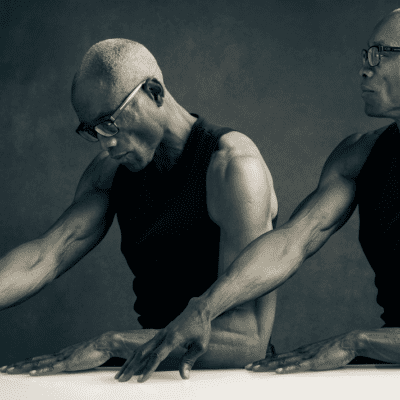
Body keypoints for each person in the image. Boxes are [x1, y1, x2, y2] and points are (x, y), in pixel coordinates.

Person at [105, 8, 400, 382]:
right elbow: (291, 242)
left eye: (380, 54)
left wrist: (358, 342)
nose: (364, 69)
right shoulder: (359, 155)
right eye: (366, 55)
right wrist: (205, 308)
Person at [0, 39, 278, 377]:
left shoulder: (233, 167)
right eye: (93, 130)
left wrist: (112, 344)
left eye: (109, 122)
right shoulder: (110, 171)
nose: (106, 143)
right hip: (149, 366)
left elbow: (246, 340)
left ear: (154, 92)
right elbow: (47, 255)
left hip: (226, 378)